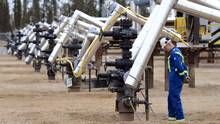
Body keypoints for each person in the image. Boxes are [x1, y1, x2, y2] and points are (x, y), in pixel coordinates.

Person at [160, 37, 190, 123]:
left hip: (176, 79)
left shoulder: (175, 53)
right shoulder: (175, 52)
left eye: (164, 48)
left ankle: (180, 118)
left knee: (175, 98)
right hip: (174, 79)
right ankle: (172, 116)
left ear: (168, 44)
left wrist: (183, 75)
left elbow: (179, 67)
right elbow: (183, 66)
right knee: (171, 97)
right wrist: (185, 74)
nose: (165, 50)